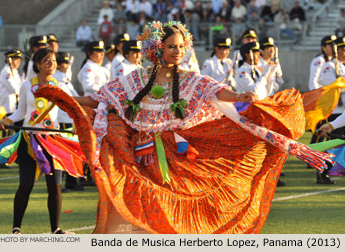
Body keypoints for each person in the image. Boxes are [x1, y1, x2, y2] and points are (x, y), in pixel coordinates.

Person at [59, 21, 326, 233]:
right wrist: (64, 98)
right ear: (157, 48)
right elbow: (99, 98)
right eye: (172, 46)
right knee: (143, 202)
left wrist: (239, 97)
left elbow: (215, 91)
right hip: (142, 153)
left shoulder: (188, 79)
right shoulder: (137, 78)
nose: (178, 51)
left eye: (180, 46)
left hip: (175, 155)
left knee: (178, 203)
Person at [0, 48, 82, 234]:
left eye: (53, 60)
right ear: (37, 65)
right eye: (46, 60)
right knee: (26, 184)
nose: (51, 64)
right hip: (29, 140)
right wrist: (6, 120)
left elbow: (72, 107)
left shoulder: (60, 86)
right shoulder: (27, 86)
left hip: (53, 140)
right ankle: (16, 228)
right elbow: (20, 113)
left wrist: (78, 122)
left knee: (55, 186)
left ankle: (56, 229)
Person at [314, 36, 345, 184]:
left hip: (343, 111)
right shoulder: (329, 66)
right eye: (342, 49)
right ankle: (322, 173)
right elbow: (327, 87)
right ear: (336, 50)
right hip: (334, 111)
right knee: (332, 144)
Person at [53, 52, 83, 193]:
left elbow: (74, 95)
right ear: (58, 65)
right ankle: (65, 182)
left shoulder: (64, 78)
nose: (66, 65)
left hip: (69, 118)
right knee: (64, 152)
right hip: (62, 119)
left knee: (73, 150)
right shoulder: (56, 79)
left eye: (67, 62)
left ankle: (72, 181)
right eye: (64, 63)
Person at [0, 49, 23, 169]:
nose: (17, 61)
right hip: (7, 108)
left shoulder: (15, 72)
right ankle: (1, 160)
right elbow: (14, 89)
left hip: (14, 107)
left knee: (15, 134)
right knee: (7, 135)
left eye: (18, 59)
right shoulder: (6, 71)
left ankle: (14, 157)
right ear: (8, 59)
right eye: (15, 59)